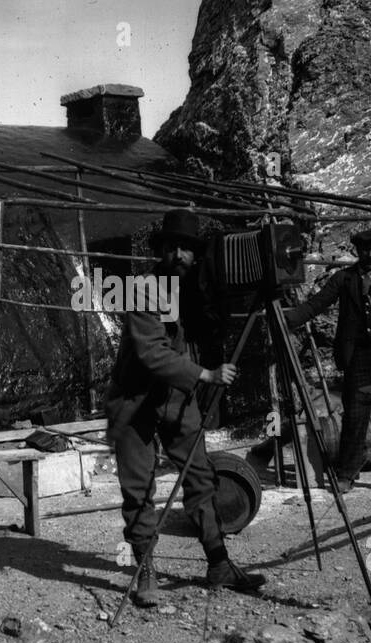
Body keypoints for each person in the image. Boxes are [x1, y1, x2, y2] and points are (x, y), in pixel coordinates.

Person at [104, 209, 266, 607]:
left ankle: (219, 563)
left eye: (188, 249)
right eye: (172, 247)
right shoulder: (142, 289)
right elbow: (152, 354)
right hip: (136, 402)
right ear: (160, 250)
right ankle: (144, 570)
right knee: (139, 487)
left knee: (201, 478)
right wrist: (205, 376)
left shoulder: (197, 290)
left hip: (178, 400)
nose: (180, 255)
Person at [283, 229, 371, 494]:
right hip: (358, 355)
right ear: (357, 251)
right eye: (365, 250)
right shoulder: (344, 279)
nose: (369, 255)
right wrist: (289, 319)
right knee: (355, 414)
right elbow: (317, 304)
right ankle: (347, 473)